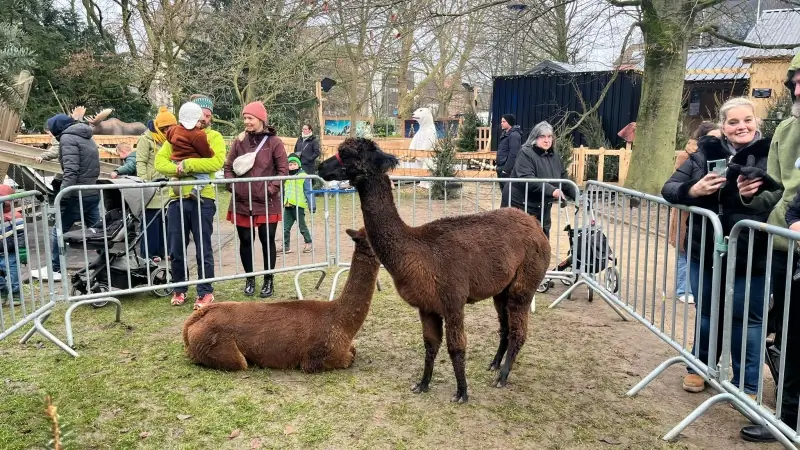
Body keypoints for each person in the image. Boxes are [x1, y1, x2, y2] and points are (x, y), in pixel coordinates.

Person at [661, 97, 781, 402]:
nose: (741, 126)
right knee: (707, 313)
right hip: (707, 251)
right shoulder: (704, 154)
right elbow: (669, 189)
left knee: (749, 321)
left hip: (752, 253)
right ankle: (698, 367)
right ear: (723, 126)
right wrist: (692, 190)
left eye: (747, 120)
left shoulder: (771, 153)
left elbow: (783, 195)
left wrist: (759, 193)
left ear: (756, 122)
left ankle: (747, 385)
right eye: (733, 121)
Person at [739, 53, 800, 444]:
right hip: (784, 246)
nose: (797, 89)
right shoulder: (787, 129)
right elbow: (778, 192)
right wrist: (752, 195)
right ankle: (787, 417)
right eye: (796, 81)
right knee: (789, 335)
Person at [155, 95, 225, 310]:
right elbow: (160, 162)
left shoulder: (214, 137)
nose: (204, 118)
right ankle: (180, 287)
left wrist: (186, 165)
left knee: (203, 246)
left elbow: (216, 162)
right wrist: (177, 168)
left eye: (207, 114)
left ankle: (205, 291)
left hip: (203, 198)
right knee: (176, 247)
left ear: (209, 117)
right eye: (200, 114)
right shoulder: (175, 135)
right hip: (177, 198)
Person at [223, 101, 289, 298]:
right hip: (242, 200)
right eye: (245, 118)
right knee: (245, 240)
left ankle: (268, 279)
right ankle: (250, 278)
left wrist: (269, 190)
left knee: (267, 239)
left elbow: (283, 170)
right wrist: (232, 185)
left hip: (266, 201)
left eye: (250, 118)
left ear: (260, 119)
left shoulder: (274, 143)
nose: (246, 121)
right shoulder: (239, 141)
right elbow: (228, 167)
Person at [31, 113, 101, 281]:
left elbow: (71, 171)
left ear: (57, 128)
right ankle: (112, 260)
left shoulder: (68, 139)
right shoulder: (86, 136)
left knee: (59, 230)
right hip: (91, 191)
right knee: (100, 232)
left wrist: (62, 195)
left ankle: (55, 269)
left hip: (77, 194)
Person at [669, 122, 721, 304]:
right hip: (687, 210)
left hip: (705, 213)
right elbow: (676, 181)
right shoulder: (687, 156)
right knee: (684, 251)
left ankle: (694, 287)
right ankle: (682, 288)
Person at [500, 121, 577, 238]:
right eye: (542, 137)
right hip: (520, 204)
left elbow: (563, 178)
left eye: (549, 136)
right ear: (535, 138)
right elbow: (528, 179)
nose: (547, 140)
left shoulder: (554, 156)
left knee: (541, 244)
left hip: (541, 206)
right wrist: (552, 190)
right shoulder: (525, 153)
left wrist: (578, 194)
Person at [136, 107, 177, 263]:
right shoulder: (145, 140)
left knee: (164, 221)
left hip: (166, 186)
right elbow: (140, 161)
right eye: (166, 128)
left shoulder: (170, 140)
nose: (169, 131)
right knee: (151, 222)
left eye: (171, 128)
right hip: (151, 187)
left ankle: (163, 250)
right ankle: (149, 253)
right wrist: (144, 182)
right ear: (160, 128)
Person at [166, 102, 214, 200]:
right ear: (195, 120)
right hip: (191, 162)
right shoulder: (198, 134)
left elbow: (168, 137)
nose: (201, 123)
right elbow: (205, 152)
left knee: (178, 172)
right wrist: (211, 153)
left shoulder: (174, 130)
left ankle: (175, 178)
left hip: (176, 161)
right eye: (199, 121)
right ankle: (195, 190)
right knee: (204, 178)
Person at [280, 154, 312, 254]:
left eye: (294, 164)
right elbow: (283, 191)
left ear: (298, 165)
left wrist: (312, 204)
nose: (292, 166)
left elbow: (308, 191)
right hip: (288, 205)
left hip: (298, 206)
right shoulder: (286, 176)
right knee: (285, 228)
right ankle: (286, 246)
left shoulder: (303, 176)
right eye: (290, 164)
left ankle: (308, 242)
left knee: (302, 226)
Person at [0, 185, 24, 305]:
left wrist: (22, 251)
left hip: (10, 251)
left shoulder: (15, 216)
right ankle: (2, 293)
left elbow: (21, 235)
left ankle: (15, 294)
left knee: (13, 274)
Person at [293, 124, 321, 212]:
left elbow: (317, 152)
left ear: (310, 130)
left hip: (308, 167)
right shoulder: (300, 139)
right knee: (298, 186)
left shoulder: (313, 140)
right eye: (303, 129)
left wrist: (309, 159)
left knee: (308, 187)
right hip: (299, 165)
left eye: (305, 129)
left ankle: (312, 207)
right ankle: (299, 206)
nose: (304, 130)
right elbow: (295, 149)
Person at [495, 113, 522, 189]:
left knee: (508, 192)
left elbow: (513, 154)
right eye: (501, 122)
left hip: (507, 170)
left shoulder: (514, 135)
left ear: (509, 122)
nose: (501, 123)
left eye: (504, 122)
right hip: (501, 168)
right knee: (504, 193)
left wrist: (506, 170)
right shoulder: (505, 134)